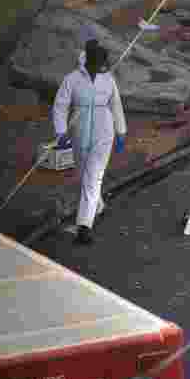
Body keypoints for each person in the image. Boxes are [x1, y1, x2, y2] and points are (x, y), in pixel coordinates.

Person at [52, 39, 127, 245]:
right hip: (79, 132)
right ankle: (98, 206)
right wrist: (60, 131)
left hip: (104, 132)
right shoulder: (72, 80)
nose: (102, 69)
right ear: (89, 62)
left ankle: (84, 225)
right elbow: (60, 106)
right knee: (84, 175)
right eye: (98, 65)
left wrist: (121, 131)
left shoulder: (108, 80)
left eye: (104, 66)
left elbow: (116, 105)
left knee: (94, 176)